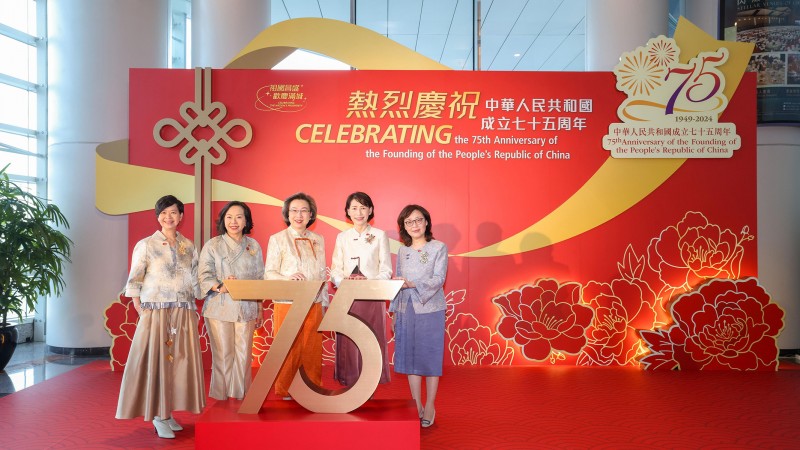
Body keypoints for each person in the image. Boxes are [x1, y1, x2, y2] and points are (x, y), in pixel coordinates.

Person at [116, 195, 205, 439]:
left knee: (176, 362)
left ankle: (167, 412)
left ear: (181, 216)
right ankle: (158, 416)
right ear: (158, 217)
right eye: (164, 213)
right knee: (156, 361)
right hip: (155, 310)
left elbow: (196, 280)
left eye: (174, 213)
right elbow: (135, 278)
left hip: (183, 310)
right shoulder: (146, 245)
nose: (169, 217)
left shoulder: (189, 246)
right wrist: (139, 306)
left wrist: (216, 288)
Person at [198, 201, 265, 401]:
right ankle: (222, 395)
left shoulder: (253, 246)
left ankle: (241, 394)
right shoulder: (213, 245)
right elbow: (203, 275)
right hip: (220, 306)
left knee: (244, 354)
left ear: (246, 221)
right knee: (224, 354)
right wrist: (221, 286)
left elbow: (260, 278)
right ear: (223, 220)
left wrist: (260, 307)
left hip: (247, 306)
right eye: (229, 217)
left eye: (239, 217)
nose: (233, 221)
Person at [264, 192, 327, 399]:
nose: (299, 215)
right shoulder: (277, 239)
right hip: (286, 302)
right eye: (294, 211)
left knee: (312, 348)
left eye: (304, 210)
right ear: (287, 214)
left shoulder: (318, 239)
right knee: (288, 348)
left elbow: (321, 274)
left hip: (314, 302)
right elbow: (269, 273)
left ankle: (312, 389)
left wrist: (324, 303)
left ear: (311, 214)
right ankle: (285, 389)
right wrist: (288, 278)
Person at [390, 204, 448, 428]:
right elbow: (397, 281)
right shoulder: (402, 251)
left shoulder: (438, 247)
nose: (414, 225)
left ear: (426, 222)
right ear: (404, 226)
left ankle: (430, 405)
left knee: (430, 359)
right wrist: (394, 311)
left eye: (418, 220)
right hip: (406, 309)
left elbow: (439, 278)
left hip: (430, 308)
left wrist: (414, 284)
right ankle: (416, 404)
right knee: (410, 359)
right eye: (409, 222)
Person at [330, 191, 392, 386]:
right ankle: (349, 381)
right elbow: (335, 270)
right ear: (347, 211)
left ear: (370, 210)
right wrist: (344, 281)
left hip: (371, 297)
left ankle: (370, 382)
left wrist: (370, 284)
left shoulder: (380, 235)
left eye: (363, 207)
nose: (359, 212)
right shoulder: (342, 237)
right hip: (347, 296)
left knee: (371, 338)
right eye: (354, 208)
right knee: (349, 339)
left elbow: (386, 269)